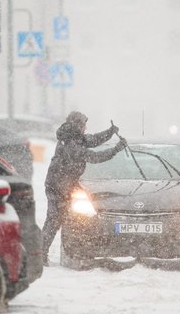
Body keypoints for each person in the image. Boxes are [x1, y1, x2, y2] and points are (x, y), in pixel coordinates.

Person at [42, 111, 127, 264]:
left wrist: (110, 132)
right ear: (77, 125)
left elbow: (93, 140)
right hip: (57, 186)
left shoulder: (74, 136)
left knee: (63, 219)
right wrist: (115, 150)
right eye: (84, 125)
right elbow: (93, 156)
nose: (85, 128)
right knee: (54, 220)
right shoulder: (70, 143)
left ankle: (44, 252)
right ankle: (39, 256)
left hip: (65, 184)